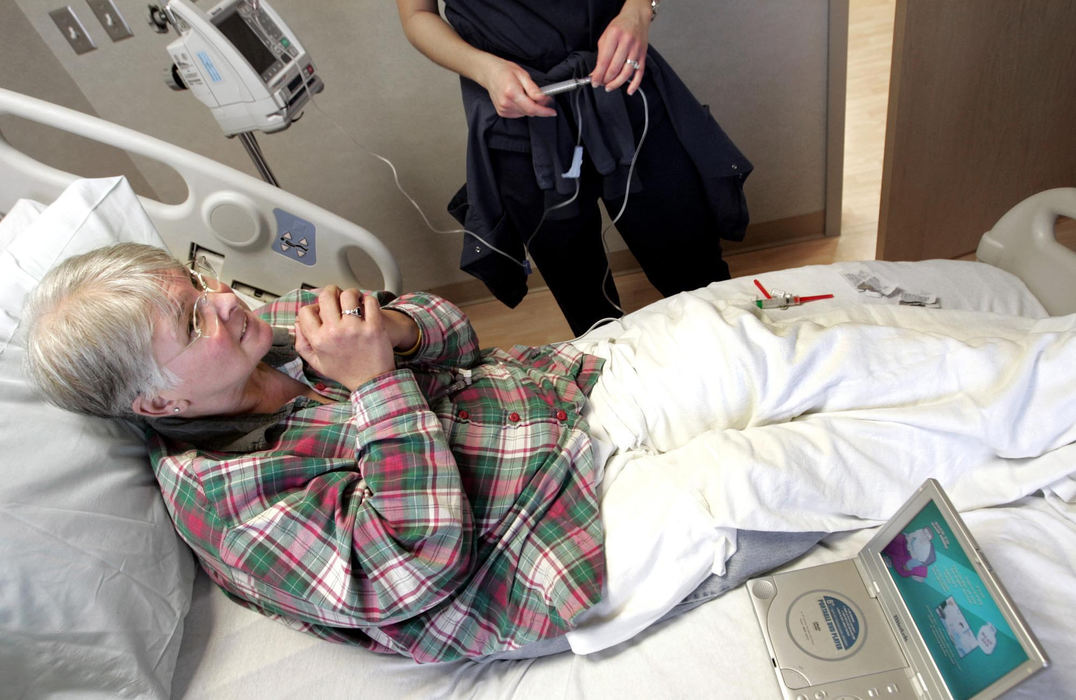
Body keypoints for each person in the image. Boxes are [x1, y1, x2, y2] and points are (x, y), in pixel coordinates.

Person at [24, 243, 1076, 663]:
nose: (222, 301)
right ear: (159, 397)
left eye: (193, 278)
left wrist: (389, 336)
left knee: (773, 346)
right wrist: (377, 388)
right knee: (778, 475)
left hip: (557, 407)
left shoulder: (266, 330)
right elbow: (407, 565)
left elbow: (452, 330)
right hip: (539, 555)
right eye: (190, 316)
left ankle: (1055, 370)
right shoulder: (224, 501)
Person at [395, 0, 753, 335]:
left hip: (622, 84)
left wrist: (638, 10)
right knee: (586, 303)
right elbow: (417, 15)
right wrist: (486, 71)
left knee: (697, 273)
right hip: (520, 112)